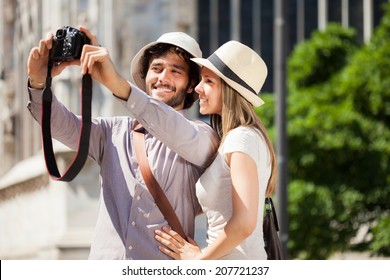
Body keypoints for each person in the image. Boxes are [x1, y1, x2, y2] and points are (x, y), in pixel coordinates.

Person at [27, 26, 219, 259]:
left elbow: (174, 129)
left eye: (175, 71)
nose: (163, 78)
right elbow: (59, 125)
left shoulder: (202, 135)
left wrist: (116, 83)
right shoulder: (113, 131)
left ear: (191, 85)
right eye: (156, 68)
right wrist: (38, 84)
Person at [154, 40, 277, 260]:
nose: (198, 88)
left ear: (230, 91)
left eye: (209, 81)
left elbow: (244, 224)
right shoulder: (239, 138)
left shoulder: (242, 139)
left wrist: (199, 262)